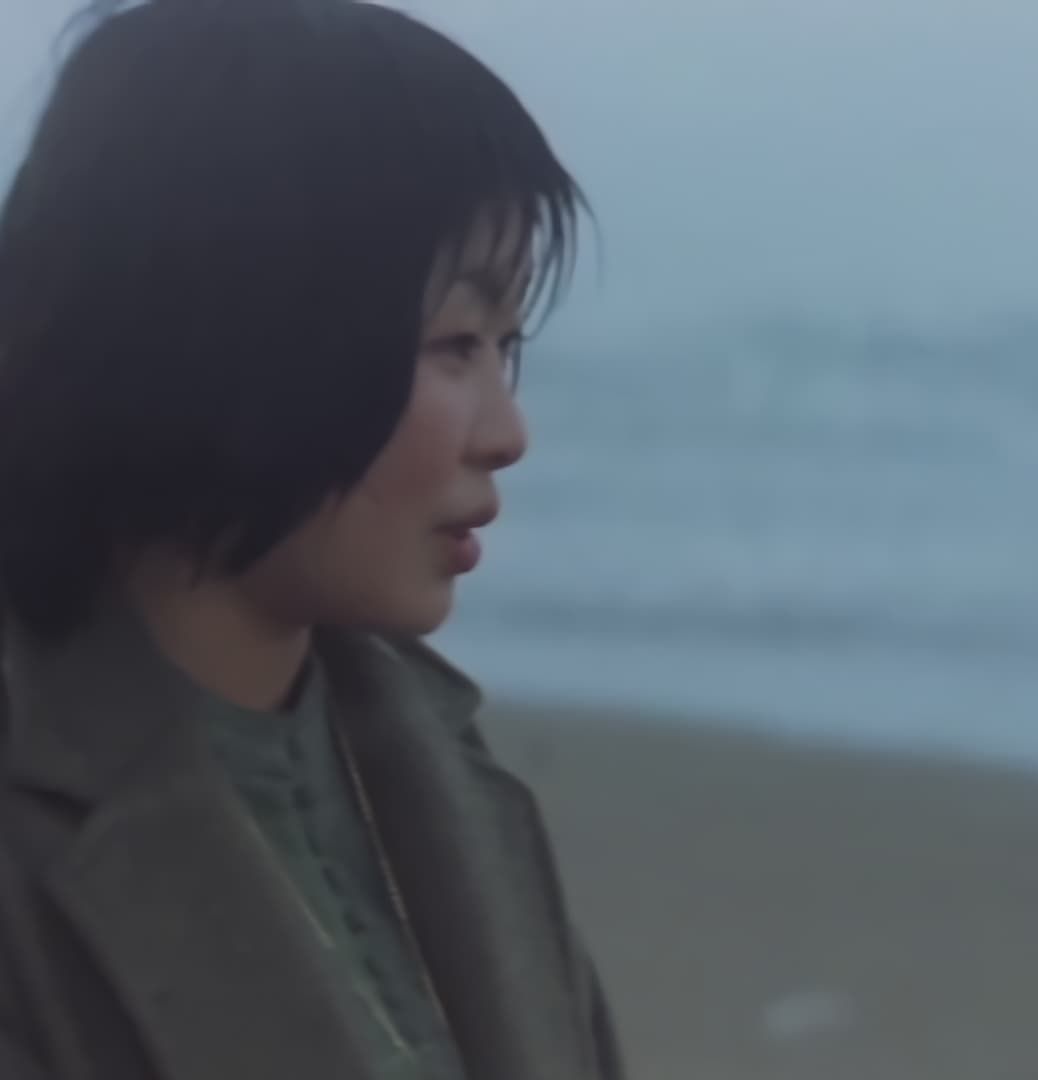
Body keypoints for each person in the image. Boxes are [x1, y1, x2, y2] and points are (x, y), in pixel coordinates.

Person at [0, 1, 622, 1077]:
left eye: (505, 345)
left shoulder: (448, 781)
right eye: (455, 343)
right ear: (237, 334)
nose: (506, 432)